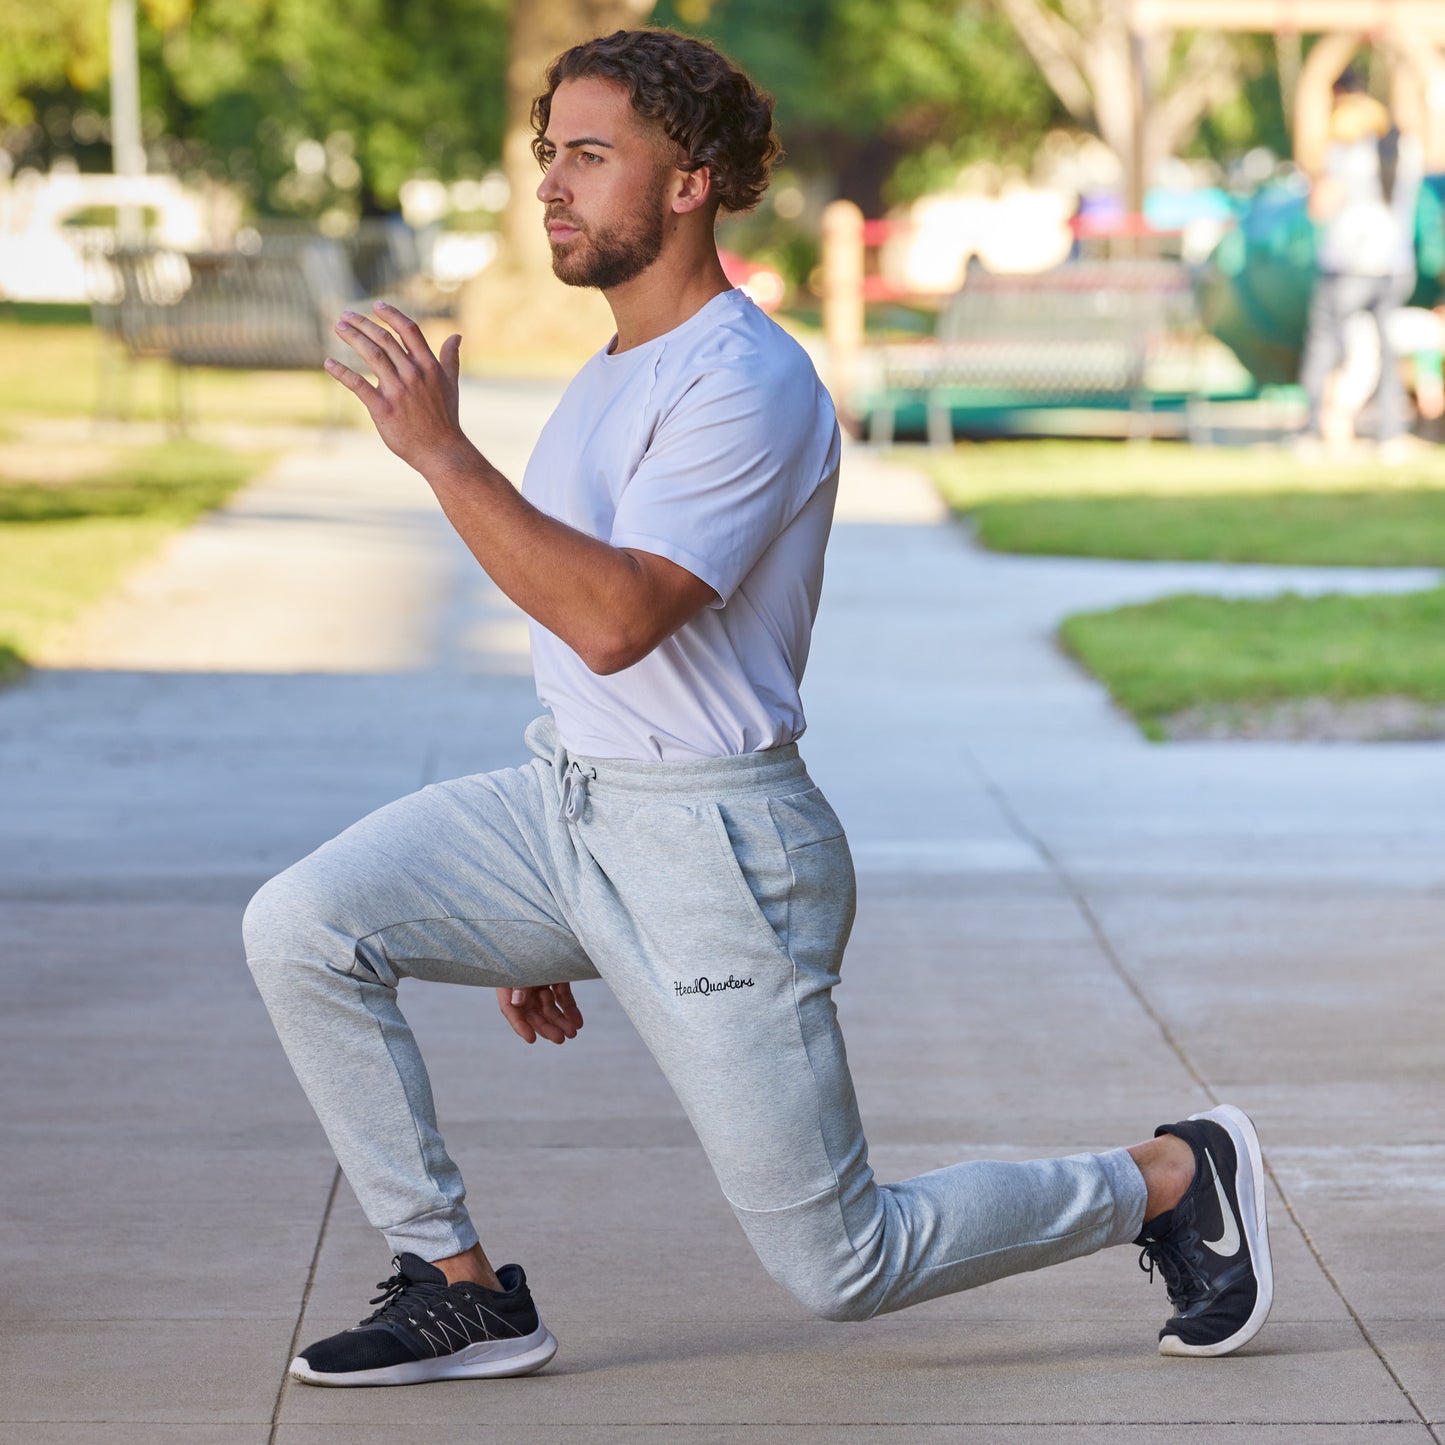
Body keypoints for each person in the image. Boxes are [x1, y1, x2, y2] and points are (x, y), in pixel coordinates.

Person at [244, 28, 1273, 1389]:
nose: (551, 185)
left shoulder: (748, 380)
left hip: (719, 851)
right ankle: (454, 1286)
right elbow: (578, 640)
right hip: (574, 804)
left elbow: (618, 619)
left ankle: (1164, 1178)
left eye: (591, 156)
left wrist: (438, 449)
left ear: (692, 181)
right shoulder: (611, 371)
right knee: (303, 924)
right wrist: (545, 900)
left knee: (840, 1264)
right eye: (548, 154)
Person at [1298, 65, 1424, 454]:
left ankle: (1312, 431)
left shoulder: (1346, 153)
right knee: (1387, 351)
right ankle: (1390, 433)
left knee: (1325, 345)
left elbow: (1319, 207)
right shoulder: (1406, 151)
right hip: (1393, 264)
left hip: (1346, 265)